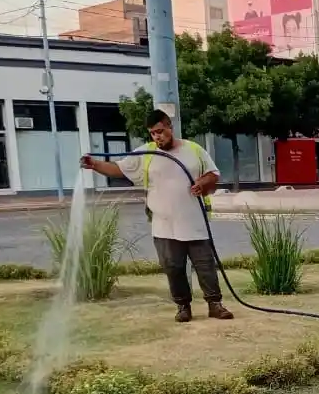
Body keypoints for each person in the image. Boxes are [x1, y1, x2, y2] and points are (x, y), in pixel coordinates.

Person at [81, 109, 234, 323]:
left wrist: (202, 183)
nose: (157, 137)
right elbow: (119, 169)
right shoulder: (146, 153)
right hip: (164, 225)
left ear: (169, 126)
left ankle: (215, 304)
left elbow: (213, 174)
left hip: (194, 221)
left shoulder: (193, 149)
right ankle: (183, 307)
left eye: (160, 131)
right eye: (153, 133)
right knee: (173, 267)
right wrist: (95, 165)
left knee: (205, 265)